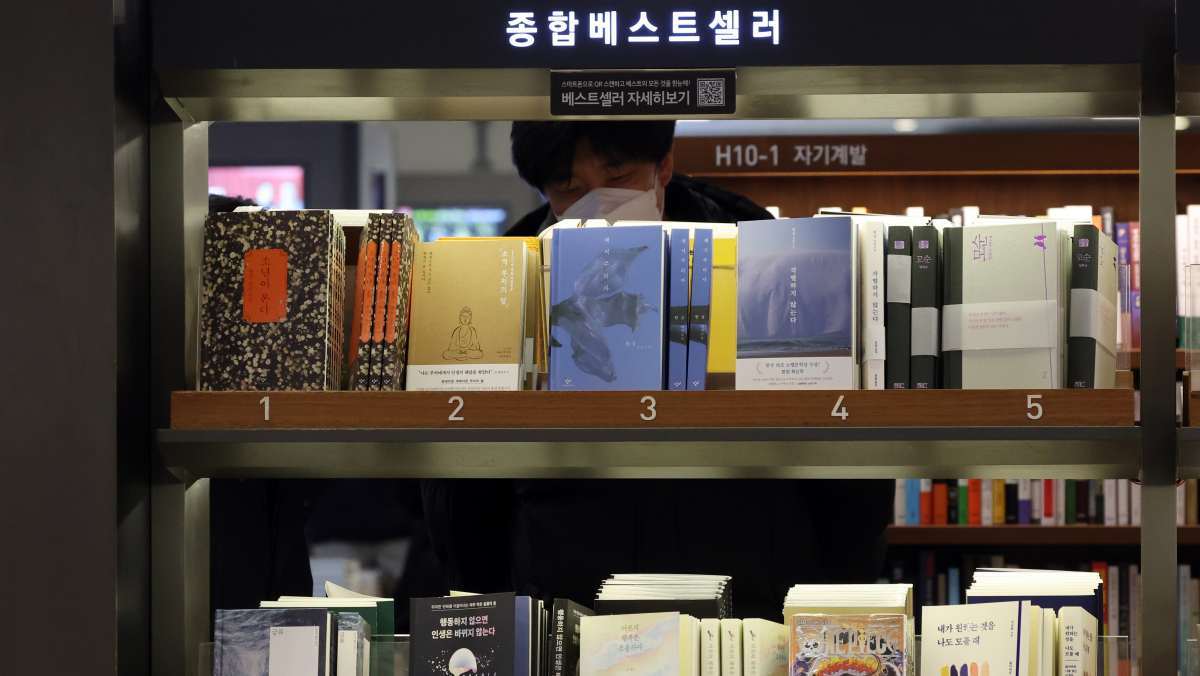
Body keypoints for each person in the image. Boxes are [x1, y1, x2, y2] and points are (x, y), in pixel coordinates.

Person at [422, 121, 894, 619]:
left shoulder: (765, 252)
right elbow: (460, 486)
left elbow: (844, 452)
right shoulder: (509, 269)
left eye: (618, 177)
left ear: (663, 165)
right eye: (569, 189)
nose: (598, 203)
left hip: (747, 592)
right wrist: (491, 604)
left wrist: (836, 598)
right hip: (569, 596)